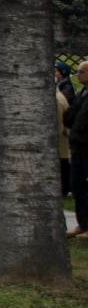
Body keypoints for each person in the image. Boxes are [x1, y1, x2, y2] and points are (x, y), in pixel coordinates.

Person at [66, 62, 88, 237]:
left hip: (85, 146)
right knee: (77, 185)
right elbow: (69, 116)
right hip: (77, 146)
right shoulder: (82, 93)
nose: (78, 74)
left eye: (81, 72)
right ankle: (83, 223)